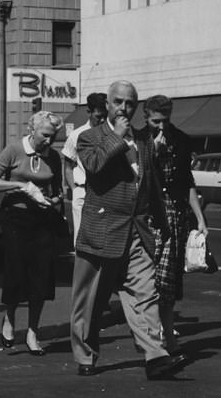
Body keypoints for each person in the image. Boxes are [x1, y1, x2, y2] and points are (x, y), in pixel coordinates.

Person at [69, 80, 186, 380]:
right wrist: (117, 138)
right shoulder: (89, 137)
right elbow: (93, 167)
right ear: (107, 104)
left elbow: (152, 184)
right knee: (91, 301)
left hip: (137, 230)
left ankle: (155, 356)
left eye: (130, 103)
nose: (124, 108)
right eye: (118, 102)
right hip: (101, 230)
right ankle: (85, 353)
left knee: (145, 295)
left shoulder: (145, 142)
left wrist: (161, 221)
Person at [0, 110, 65, 356]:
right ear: (32, 130)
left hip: (42, 219)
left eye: (53, 137)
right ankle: (9, 318)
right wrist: (20, 186)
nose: (49, 141)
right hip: (16, 218)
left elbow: (59, 190)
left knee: (41, 275)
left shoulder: (54, 157)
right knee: (16, 270)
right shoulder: (13, 151)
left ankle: (33, 331)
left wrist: (53, 199)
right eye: (45, 135)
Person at [141, 95, 208, 354]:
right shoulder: (139, 140)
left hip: (174, 214)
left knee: (167, 282)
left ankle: (167, 336)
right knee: (149, 280)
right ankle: (153, 336)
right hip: (149, 214)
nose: (160, 126)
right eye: (155, 121)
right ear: (146, 117)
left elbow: (187, 181)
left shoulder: (180, 139)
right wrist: (153, 152)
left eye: (165, 121)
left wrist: (200, 219)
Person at [62, 93, 107, 248]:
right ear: (89, 112)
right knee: (81, 239)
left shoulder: (111, 134)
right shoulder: (76, 135)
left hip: (105, 193)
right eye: (98, 116)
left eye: (105, 116)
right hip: (83, 190)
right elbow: (68, 165)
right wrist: (75, 190)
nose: (102, 120)